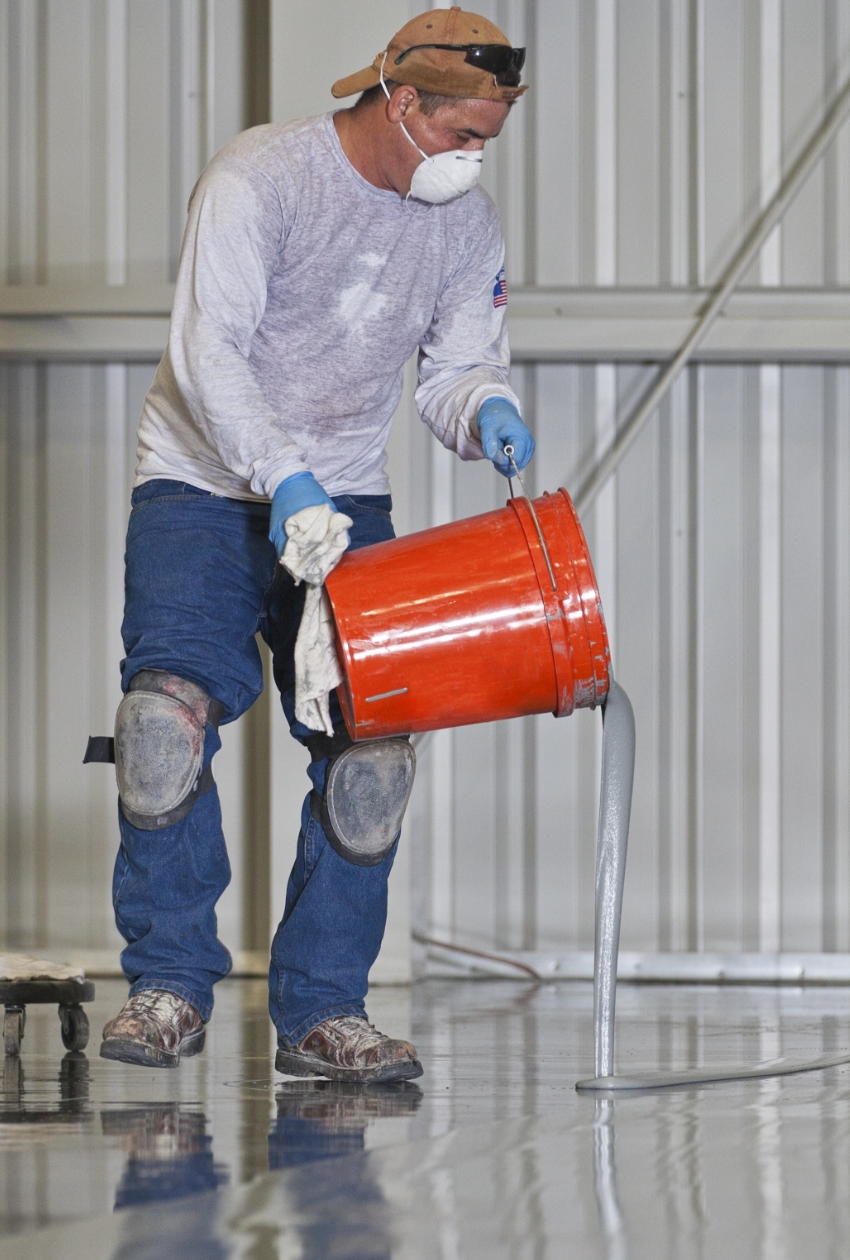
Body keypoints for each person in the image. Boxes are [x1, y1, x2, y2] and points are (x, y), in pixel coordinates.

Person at [96, 8, 534, 1084]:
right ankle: (167, 986)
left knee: (372, 755)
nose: (473, 156)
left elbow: (450, 368)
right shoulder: (263, 178)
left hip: (345, 501)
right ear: (400, 102)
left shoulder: (463, 228)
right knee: (162, 726)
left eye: (489, 137)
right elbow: (209, 353)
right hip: (201, 486)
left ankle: (324, 1010)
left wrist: (483, 408)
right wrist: (279, 474)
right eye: (461, 133)